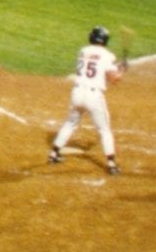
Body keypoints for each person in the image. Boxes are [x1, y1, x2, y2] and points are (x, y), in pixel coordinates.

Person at [49, 25, 124, 175]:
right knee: (104, 130)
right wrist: (122, 70)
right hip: (93, 96)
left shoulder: (83, 51)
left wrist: (117, 68)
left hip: (77, 93)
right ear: (105, 40)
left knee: (70, 123)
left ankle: (54, 154)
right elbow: (114, 79)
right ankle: (111, 164)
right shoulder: (108, 55)